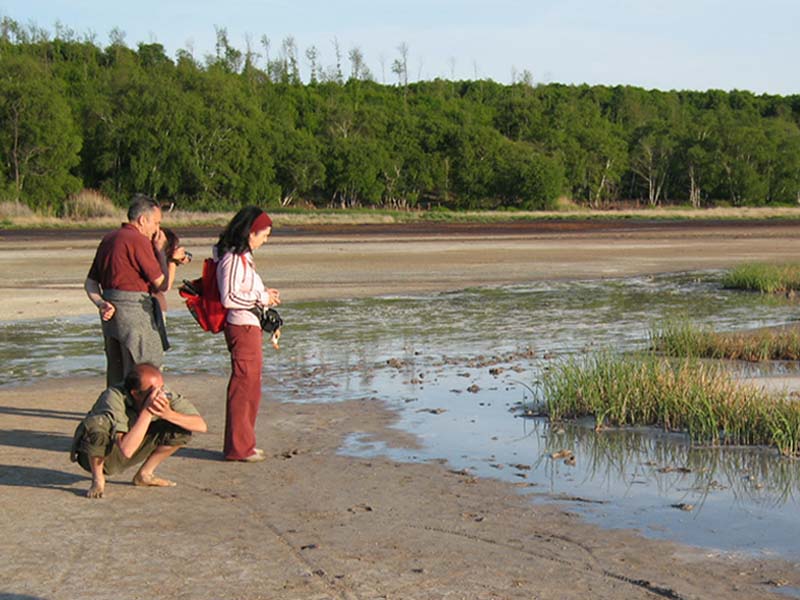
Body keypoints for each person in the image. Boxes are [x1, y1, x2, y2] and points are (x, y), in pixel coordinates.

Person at [84, 195, 189, 386]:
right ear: (142, 220)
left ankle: (115, 414)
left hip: (111, 314)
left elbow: (90, 283)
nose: (157, 229)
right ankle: (145, 414)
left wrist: (101, 303)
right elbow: (162, 284)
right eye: (156, 223)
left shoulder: (108, 239)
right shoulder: (137, 240)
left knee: (117, 375)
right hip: (136, 314)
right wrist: (161, 253)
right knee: (146, 372)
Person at [69, 362, 207, 498]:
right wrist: (147, 412)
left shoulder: (163, 392)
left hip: (133, 445)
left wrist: (168, 414)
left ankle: (145, 474)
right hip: (102, 454)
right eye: (153, 391)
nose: (160, 394)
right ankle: (98, 480)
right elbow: (126, 450)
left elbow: (201, 426)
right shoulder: (113, 396)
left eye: (161, 388)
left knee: (180, 427)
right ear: (135, 393)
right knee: (97, 425)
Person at [214, 206, 280, 462]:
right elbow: (228, 296)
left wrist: (264, 298)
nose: (265, 240)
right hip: (241, 326)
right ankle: (238, 448)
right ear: (251, 232)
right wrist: (262, 296)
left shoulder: (241, 258)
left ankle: (245, 443)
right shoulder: (233, 258)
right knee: (244, 386)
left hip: (249, 325)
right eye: (264, 235)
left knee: (251, 386)